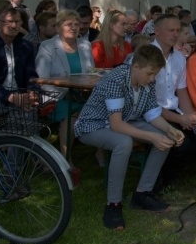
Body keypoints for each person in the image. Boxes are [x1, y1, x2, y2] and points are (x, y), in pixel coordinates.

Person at [74, 44, 185, 230]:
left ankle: (143, 194)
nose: (152, 78)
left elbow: (152, 113)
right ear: (136, 67)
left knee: (164, 136)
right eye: (149, 74)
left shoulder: (146, 80)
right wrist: (151, 136)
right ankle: (113, 204)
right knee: (123, 143)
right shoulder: (116, 79)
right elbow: (116, 125)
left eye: (155, 74)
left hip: (125, 120)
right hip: (92, 125)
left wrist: (169, 129)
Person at [151, 14, 196, 187]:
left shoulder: (179, 57)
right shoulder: (147, 56)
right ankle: (160, 180)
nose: (175, 34)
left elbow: (181, 90)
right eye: (171, 30)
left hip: (173, 110)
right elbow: (147, 103)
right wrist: (180, 119)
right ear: (157, 31)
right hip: (151, 114)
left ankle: (169, 174)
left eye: (177, 30)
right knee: (183, 143)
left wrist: (189, 116)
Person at [36, 10, 94, 158]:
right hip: (56, 97)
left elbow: (91, 74)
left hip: (83, 95)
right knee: (73, 113)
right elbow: (42, 80)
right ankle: (65, 158)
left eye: (76, 24)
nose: (74, 28)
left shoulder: (86, 45)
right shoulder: (47, 46)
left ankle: (101, 154)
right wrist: (66, 94)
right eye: (69, 24)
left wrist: (86, 90)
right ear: (58, 28)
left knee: (104, 107)